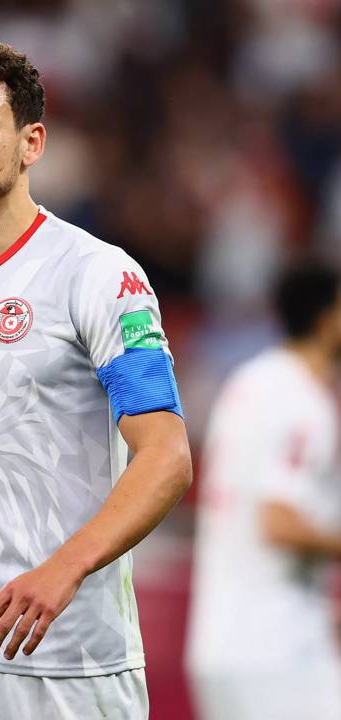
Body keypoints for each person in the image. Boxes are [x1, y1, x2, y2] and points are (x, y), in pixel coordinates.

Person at [0, 39, 192, 720]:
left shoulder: (99, 275)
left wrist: (64, 568)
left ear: (32, 144)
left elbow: (166, 456)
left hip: (73, 659)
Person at [185, 262, 341, 720]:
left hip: (220, 642)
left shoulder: (249, 381)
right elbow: (278, 522)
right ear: (327, 318)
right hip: (278, 649)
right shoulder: (304, 403)